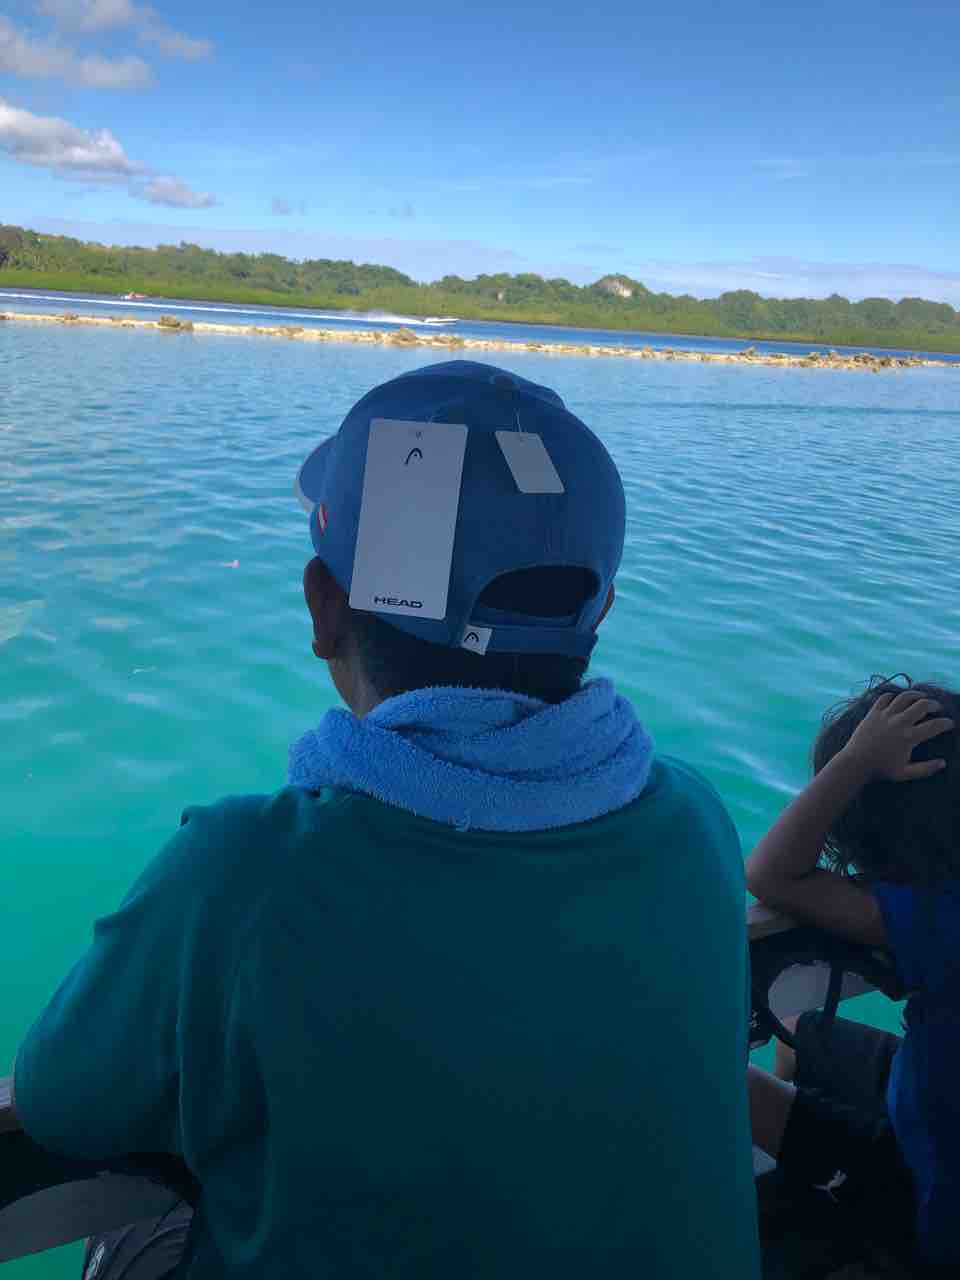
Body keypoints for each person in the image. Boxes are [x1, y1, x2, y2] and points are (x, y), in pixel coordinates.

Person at [12, 361, 759, 1279]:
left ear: (323, 607)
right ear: (599, 611)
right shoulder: (694, 818)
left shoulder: (246, 873)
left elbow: (60, 1103)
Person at [746, 679, 959, 1274]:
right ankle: (821, 1173)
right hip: (922, 1101)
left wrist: (856, 760)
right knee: (798, 1030)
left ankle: (838, 1201)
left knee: (730, 1087)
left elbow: (771, 875)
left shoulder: (937, 920)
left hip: (928, 1192)